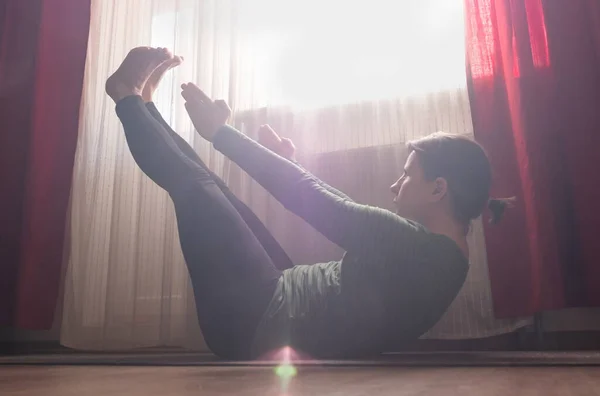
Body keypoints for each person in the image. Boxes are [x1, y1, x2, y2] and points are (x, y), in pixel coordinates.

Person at [105, 47, 510, 360]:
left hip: (253, 322)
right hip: (276, 300)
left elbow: (315, 200)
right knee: (210, 188)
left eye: (407, 174)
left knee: (196, 187)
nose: (395, 184)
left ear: (439, 189)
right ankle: (145, 106)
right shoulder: (445, 253)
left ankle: (125, 96)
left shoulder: (417, 248)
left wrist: (221, 133)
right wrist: (291, 161)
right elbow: (329, 202)